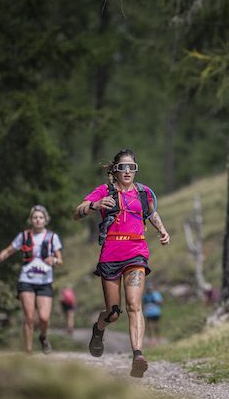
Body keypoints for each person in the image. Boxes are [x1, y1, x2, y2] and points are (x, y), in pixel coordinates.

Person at [73, 148, 170, 378]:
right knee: (114, 312)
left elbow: (151, 212)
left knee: (135, 305)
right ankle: (99, 329)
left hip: (137, 252)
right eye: (122, 167)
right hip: (111, 255)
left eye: (131, 168)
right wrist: (94, 206)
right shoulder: (104, 191)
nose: (127, 171)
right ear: (114, 171)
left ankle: (138, 356)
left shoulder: (143, 192)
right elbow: (76, 213)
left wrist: (163, 230)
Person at [0, 204, 63, 354]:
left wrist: (55, 261)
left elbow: (60, 260)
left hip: (45, 282)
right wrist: (0, 257)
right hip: (26, 280)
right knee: (29, 317)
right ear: (31, 220)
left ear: (46, 220)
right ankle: (28, 350)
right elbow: (10, 249)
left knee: (44, 317)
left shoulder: (52, 237)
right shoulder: (23, 236)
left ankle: (43, 337)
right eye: (35, 217)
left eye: (41, 217)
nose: (38, 220)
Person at [142, 281, 164, 346]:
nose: (149, 289)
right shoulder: (145, 295)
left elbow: (161, 302)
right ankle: (151, 340)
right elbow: (143, 304)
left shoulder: (156, 294)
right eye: (148, 288)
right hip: (148, 313)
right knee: (149, 327)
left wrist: (155, 300)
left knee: (156, 326)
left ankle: (159, 339)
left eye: (150, 288)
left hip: (156, 312)